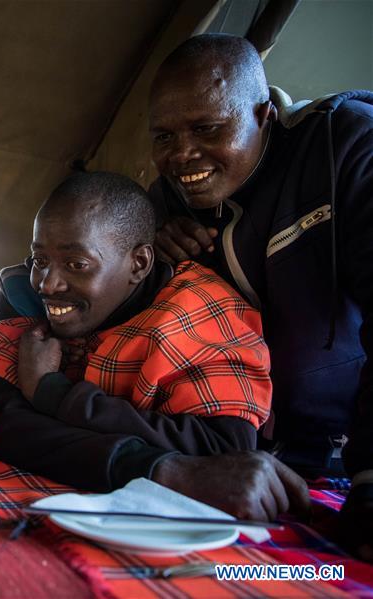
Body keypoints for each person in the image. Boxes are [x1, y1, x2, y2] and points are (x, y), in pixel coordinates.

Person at [147, 33, 373, 555]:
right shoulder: (165, 203)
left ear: (264, 113)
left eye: (207, 128)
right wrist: (155, 259)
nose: (182, 155)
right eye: (163, 137)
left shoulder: (347, 146)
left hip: (349, 459)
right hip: (239, 464)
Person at [0, 171, 286, 499]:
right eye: (41, 259)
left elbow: (222, 457)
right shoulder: (23, 301)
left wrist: (54, 394)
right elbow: (1, 424)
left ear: (139, 263)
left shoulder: (199, 315)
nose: (47, 284)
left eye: (76, 264)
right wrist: (152, 465)